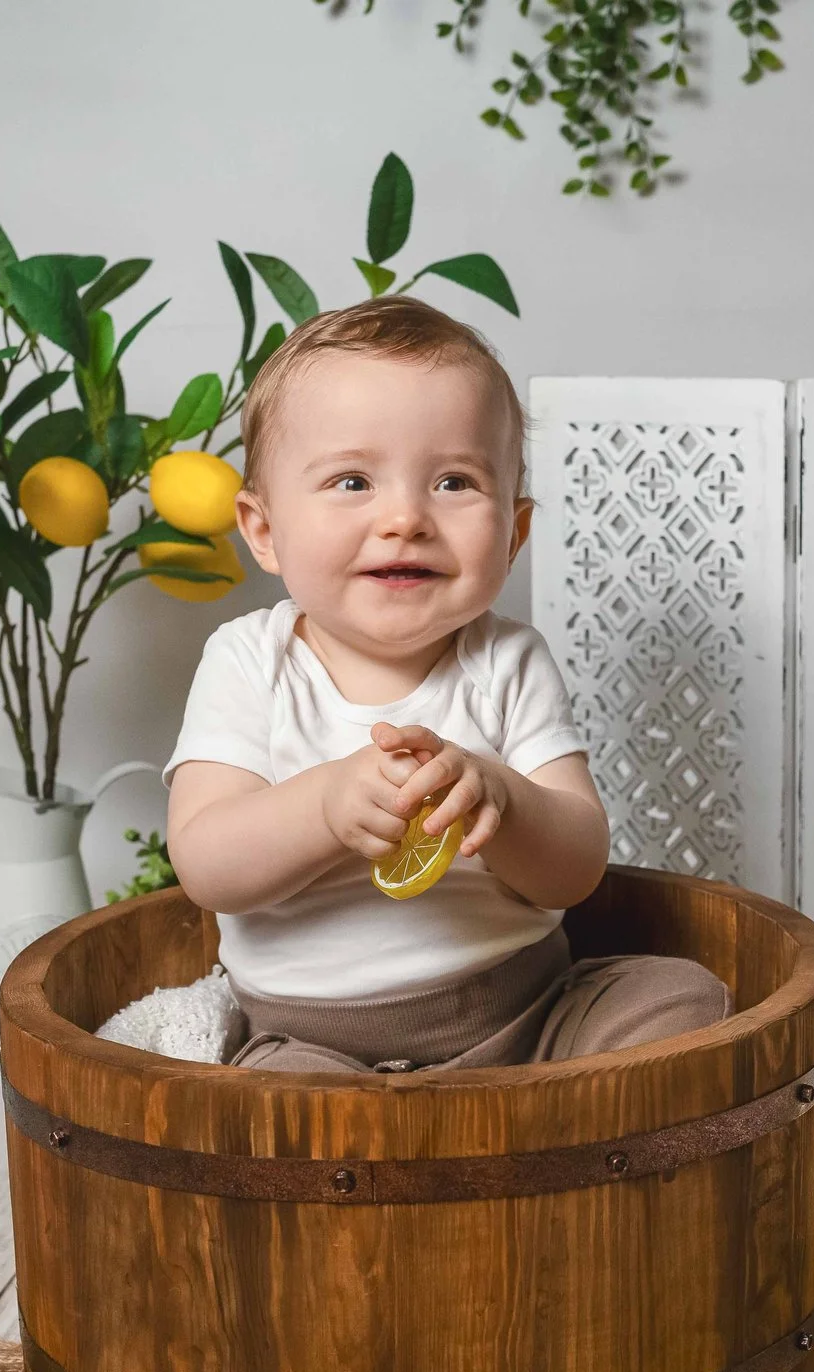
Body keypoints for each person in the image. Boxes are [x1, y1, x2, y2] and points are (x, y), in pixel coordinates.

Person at [162, 296, 727, 1072]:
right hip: (313, 1039)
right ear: (264, 530)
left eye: (454, 482)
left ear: (514, 534)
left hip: (525, 1013)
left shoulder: (507, 661)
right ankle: (401, 1142)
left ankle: (551, 1120)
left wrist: (503, 798)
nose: (406, 518)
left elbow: (577, 866)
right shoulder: (249, 662)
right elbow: (205, 861)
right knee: (283, 1107)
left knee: (681, 1000)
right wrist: (325, 807)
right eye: (353, 481)